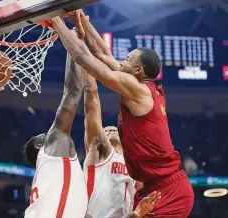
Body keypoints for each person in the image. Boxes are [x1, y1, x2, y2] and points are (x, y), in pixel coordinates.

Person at [49, 11, 194, 217]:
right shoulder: (140, 86)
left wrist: (55, 21)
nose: (121, 61)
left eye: (127, 59)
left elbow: (84, 58)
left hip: (169, 190)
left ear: (138, 70)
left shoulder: (137, 90)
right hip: (153, 186)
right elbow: (103, 54)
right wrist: (81, 21)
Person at [23, 50, 88, 218]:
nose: (50, 132)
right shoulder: (52, 148)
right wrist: (72, 44)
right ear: (40, 146)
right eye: (44, 134)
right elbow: (73, 90)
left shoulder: (50, 176)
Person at [83, 71, 136, 218]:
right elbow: (91, 105)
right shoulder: (98, 152)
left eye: (114, 130)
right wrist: (88, 67)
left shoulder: (134, 166)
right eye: (106, 131)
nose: (111, 130)